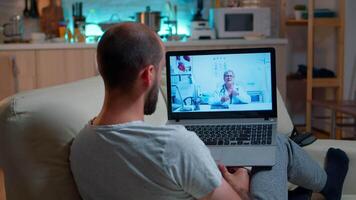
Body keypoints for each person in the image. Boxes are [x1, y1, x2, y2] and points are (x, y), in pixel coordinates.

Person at [70, 23, 349, 200]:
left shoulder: (80, 144)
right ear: (148, 75)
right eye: (162, 70)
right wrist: (241, 182)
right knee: (275, 144)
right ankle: (328, 184)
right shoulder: (176, 145)